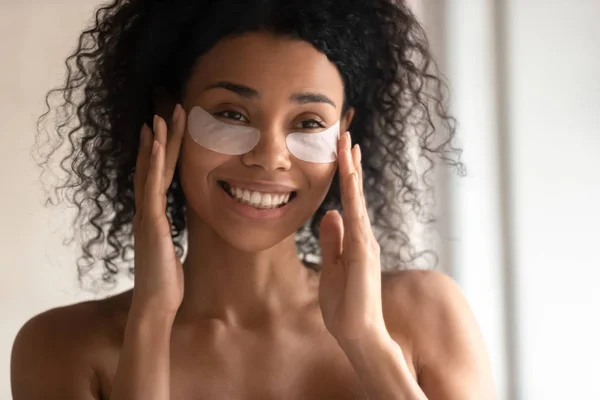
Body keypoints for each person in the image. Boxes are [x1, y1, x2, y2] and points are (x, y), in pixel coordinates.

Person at [11, 0, 495, 398]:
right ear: (167, 115)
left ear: (344, 133)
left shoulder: (426, 313)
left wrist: (366, 341)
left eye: (308, 123)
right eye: (232, 113)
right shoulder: (61, 349)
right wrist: (151, 322)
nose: (270, 157)